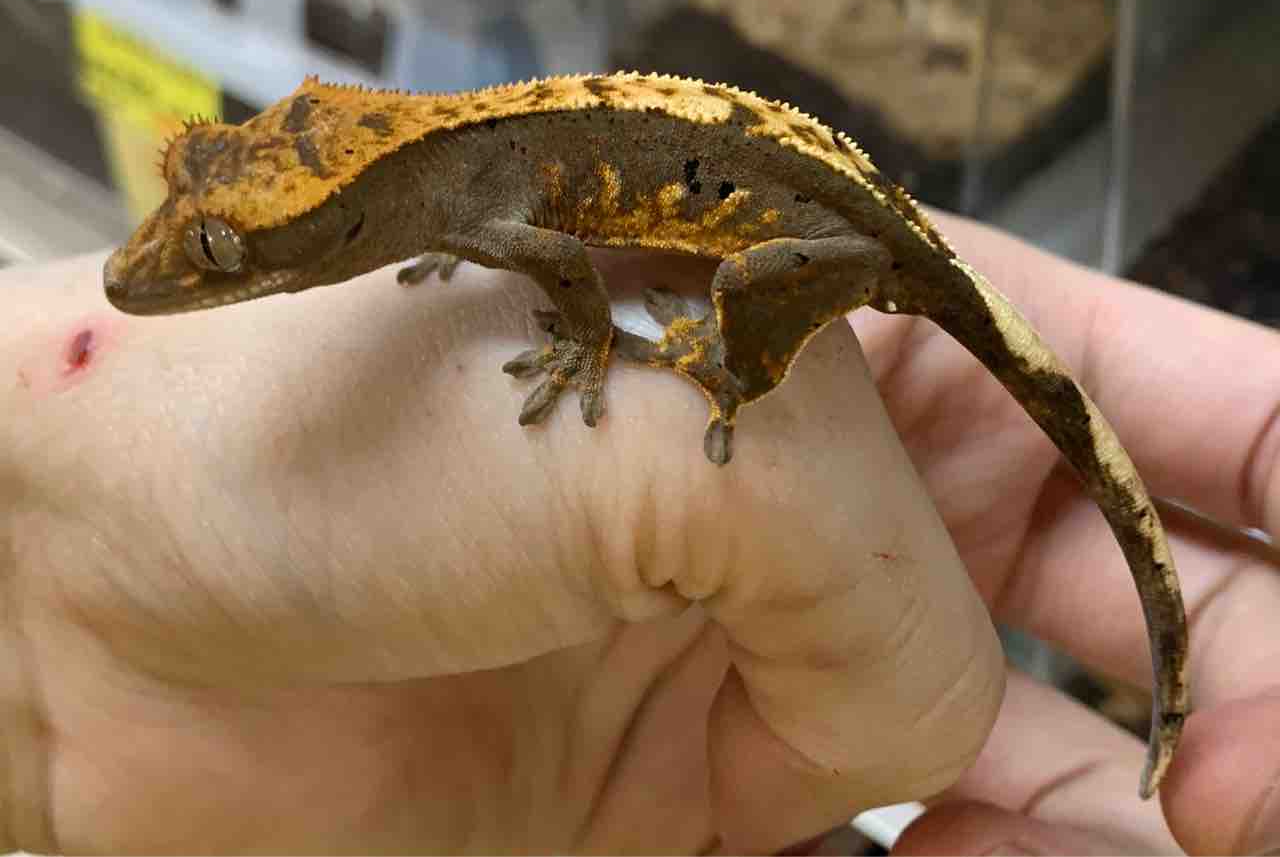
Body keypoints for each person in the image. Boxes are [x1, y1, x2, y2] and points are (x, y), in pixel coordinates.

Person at [0, 212, 1276, 855]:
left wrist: (625, 354)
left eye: (222, 249)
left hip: (812, 228)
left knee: (767, 317)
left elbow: (561, 264)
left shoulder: (469, 200)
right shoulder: (440, 199)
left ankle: (739, 368)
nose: (162, 279)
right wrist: (41, 580)